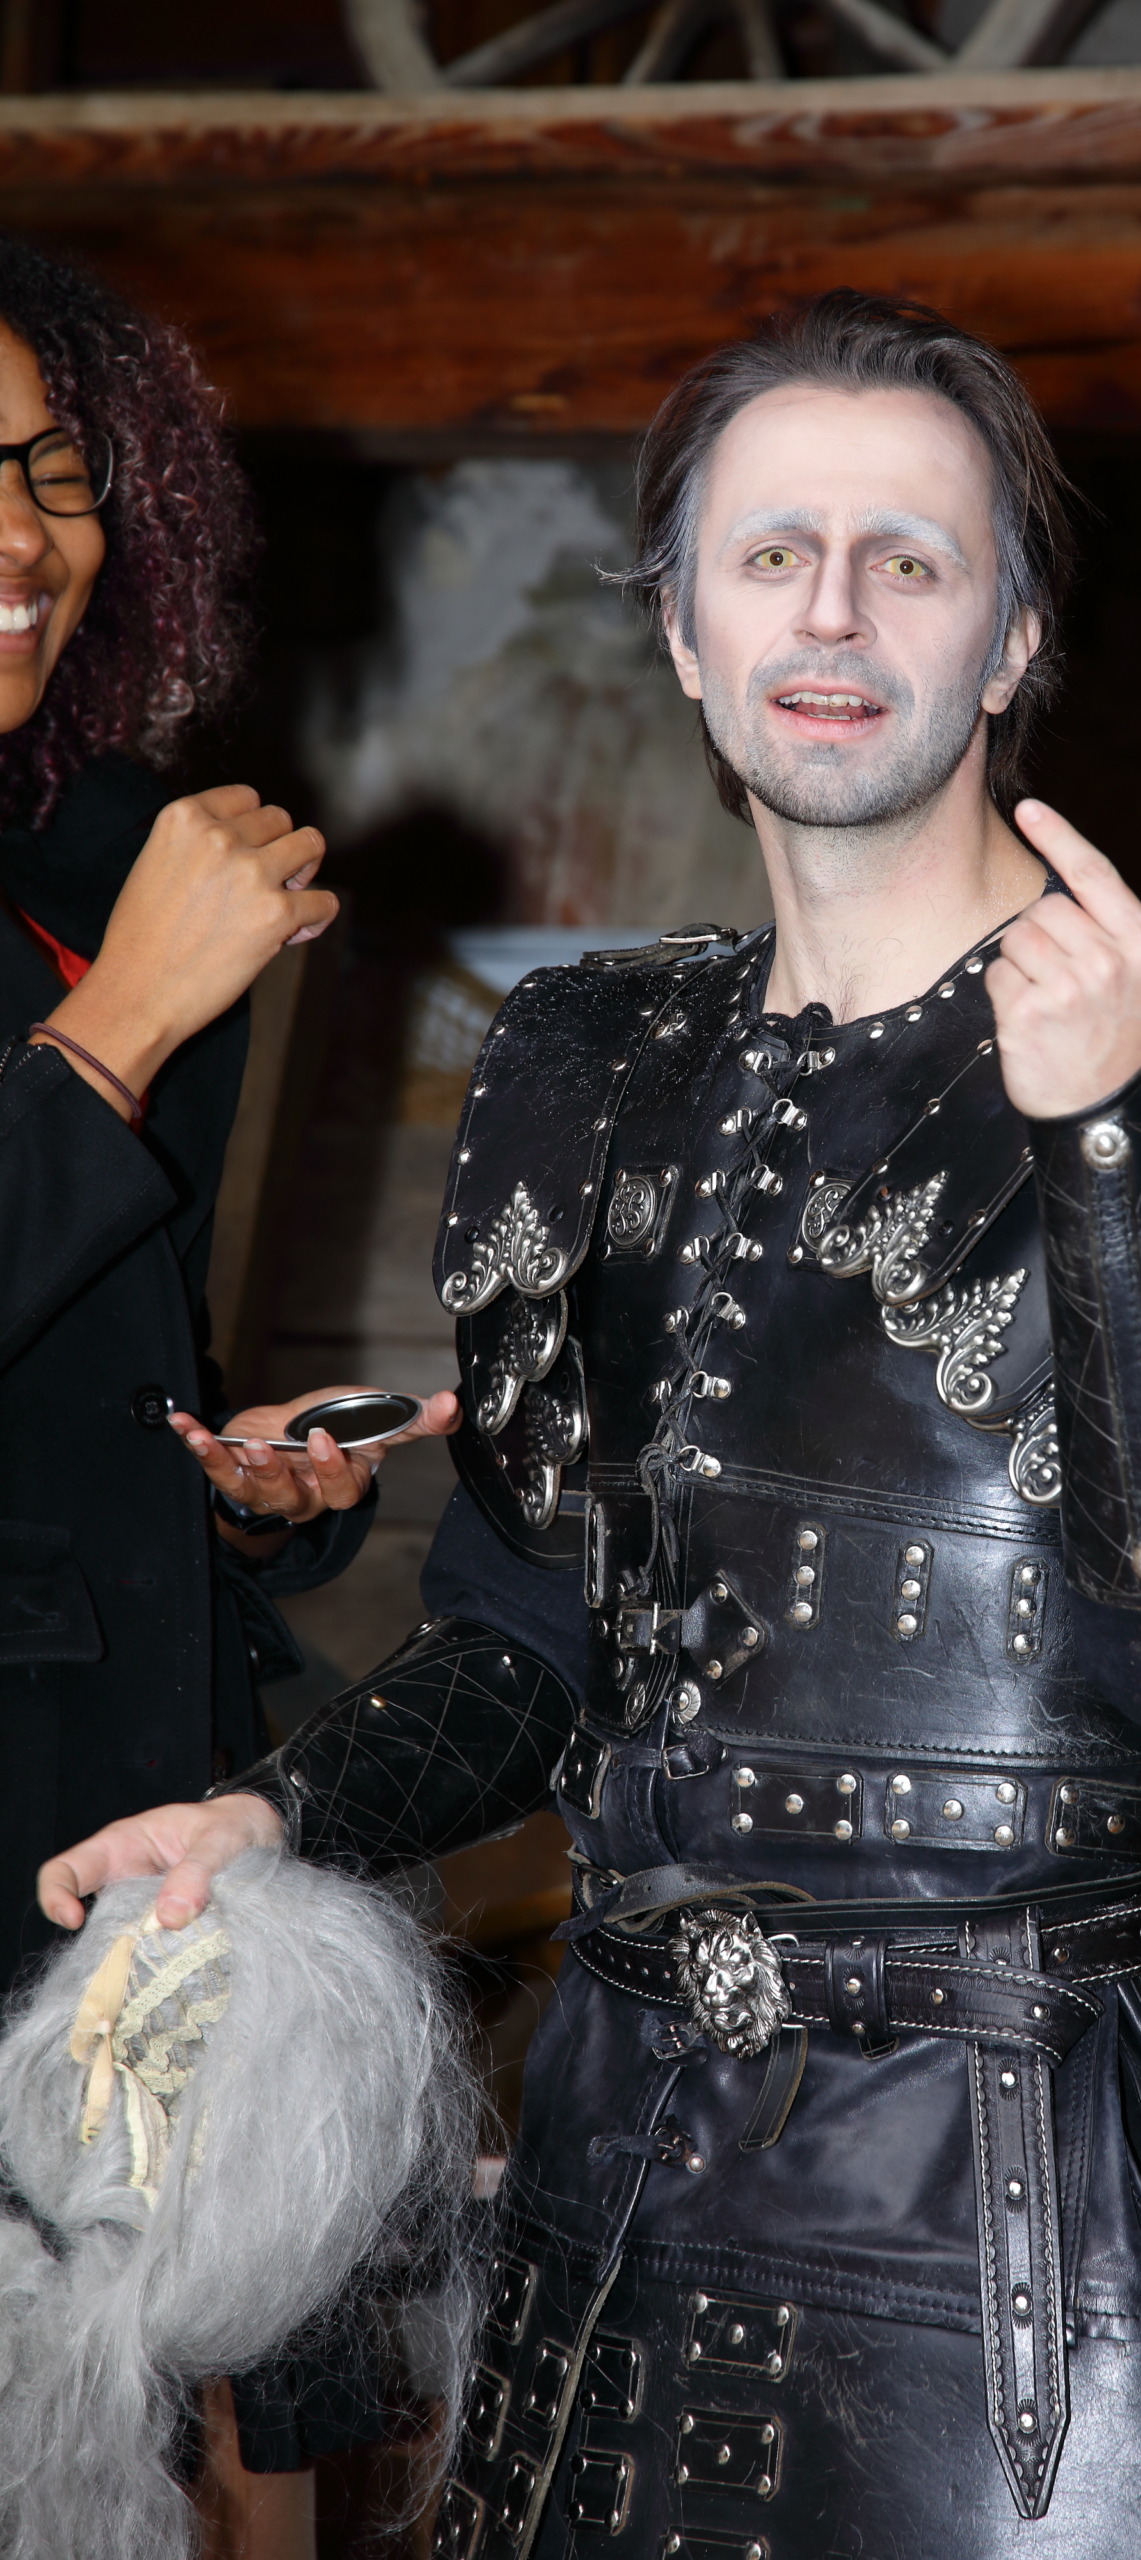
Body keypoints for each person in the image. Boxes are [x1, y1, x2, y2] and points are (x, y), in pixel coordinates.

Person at [43, 293, 1141, 2559]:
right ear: (683, 633)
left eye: (911, 559)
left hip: (1001, 2200)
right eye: (770, 554)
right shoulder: (581, 1060)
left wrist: (1103, 1140)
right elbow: (530, 1631)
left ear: (1011, 637)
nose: (831, 613)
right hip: (614, 2165)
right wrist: (274, 1810)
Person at [0, 235, 457, 1987]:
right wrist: (121, 1019)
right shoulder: (140, 946)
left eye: (54, 469)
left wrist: (227, 1488)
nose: (27, 535)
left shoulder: (98, 866)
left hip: (121, 1806)